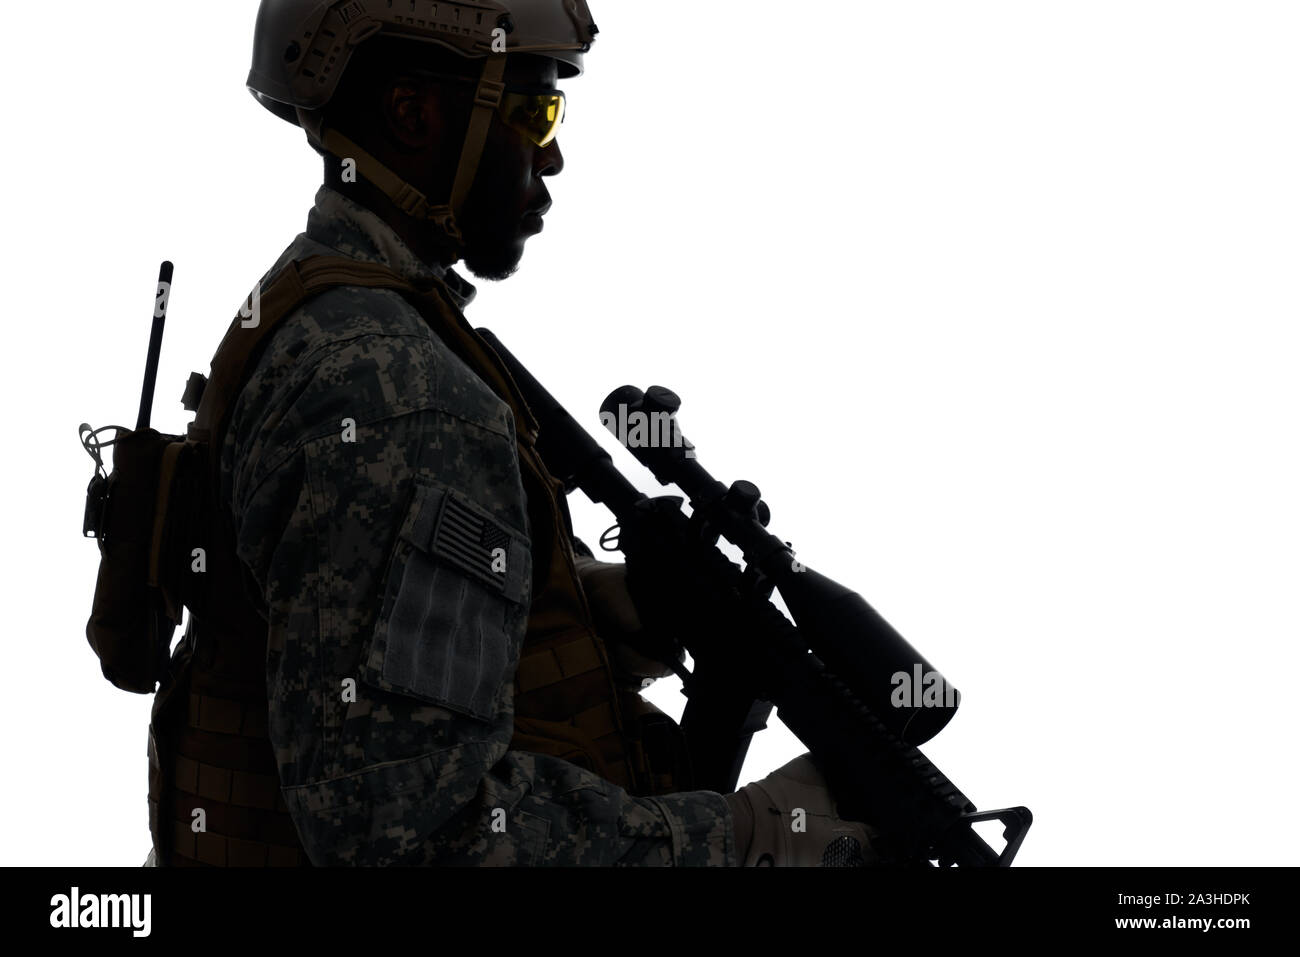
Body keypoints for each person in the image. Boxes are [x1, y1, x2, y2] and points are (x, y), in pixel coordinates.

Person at [145, 0, 876, 867]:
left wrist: (541, 596)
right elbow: (417, 841)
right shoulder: (405, 394)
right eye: (536, 109)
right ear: (415, 114)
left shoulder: (315, 309)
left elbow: (320, 617)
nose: (554, 153)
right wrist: (749, 838)